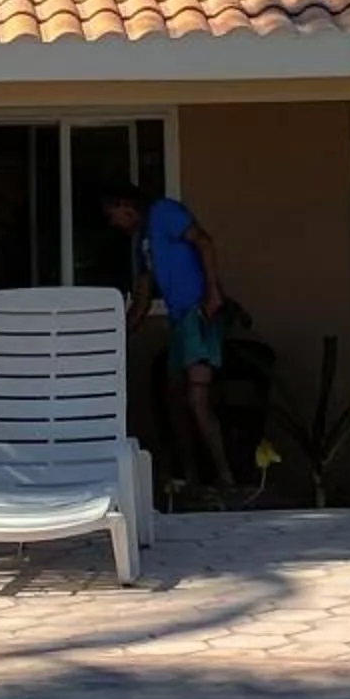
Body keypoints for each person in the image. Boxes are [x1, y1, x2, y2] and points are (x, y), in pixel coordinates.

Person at [104, 182, 235, 492]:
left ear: (126, 205)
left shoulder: (164, 212)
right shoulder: (142, 241)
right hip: (178, 321)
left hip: (198, 313)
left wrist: (213, 292)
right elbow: (142, 298)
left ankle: (226, 478)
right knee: (174, 399)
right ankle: (189, 477)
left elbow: (203, 242)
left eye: (113, 215)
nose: (113, 224)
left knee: (197, 398)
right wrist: (114, 338)